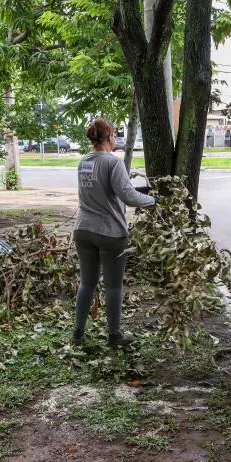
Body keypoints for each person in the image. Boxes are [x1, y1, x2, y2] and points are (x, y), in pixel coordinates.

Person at [72, 118, 157, 347]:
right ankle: (114, 336)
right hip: (109, 233)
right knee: (113, 286)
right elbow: (128, 196)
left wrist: (139, 190)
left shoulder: (84, 162)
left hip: (83, 230)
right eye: (114, 134)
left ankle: (78, 333)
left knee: (87, 283)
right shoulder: (113, 162)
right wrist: (153, 200)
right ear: (109, 136)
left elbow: (110, 190)